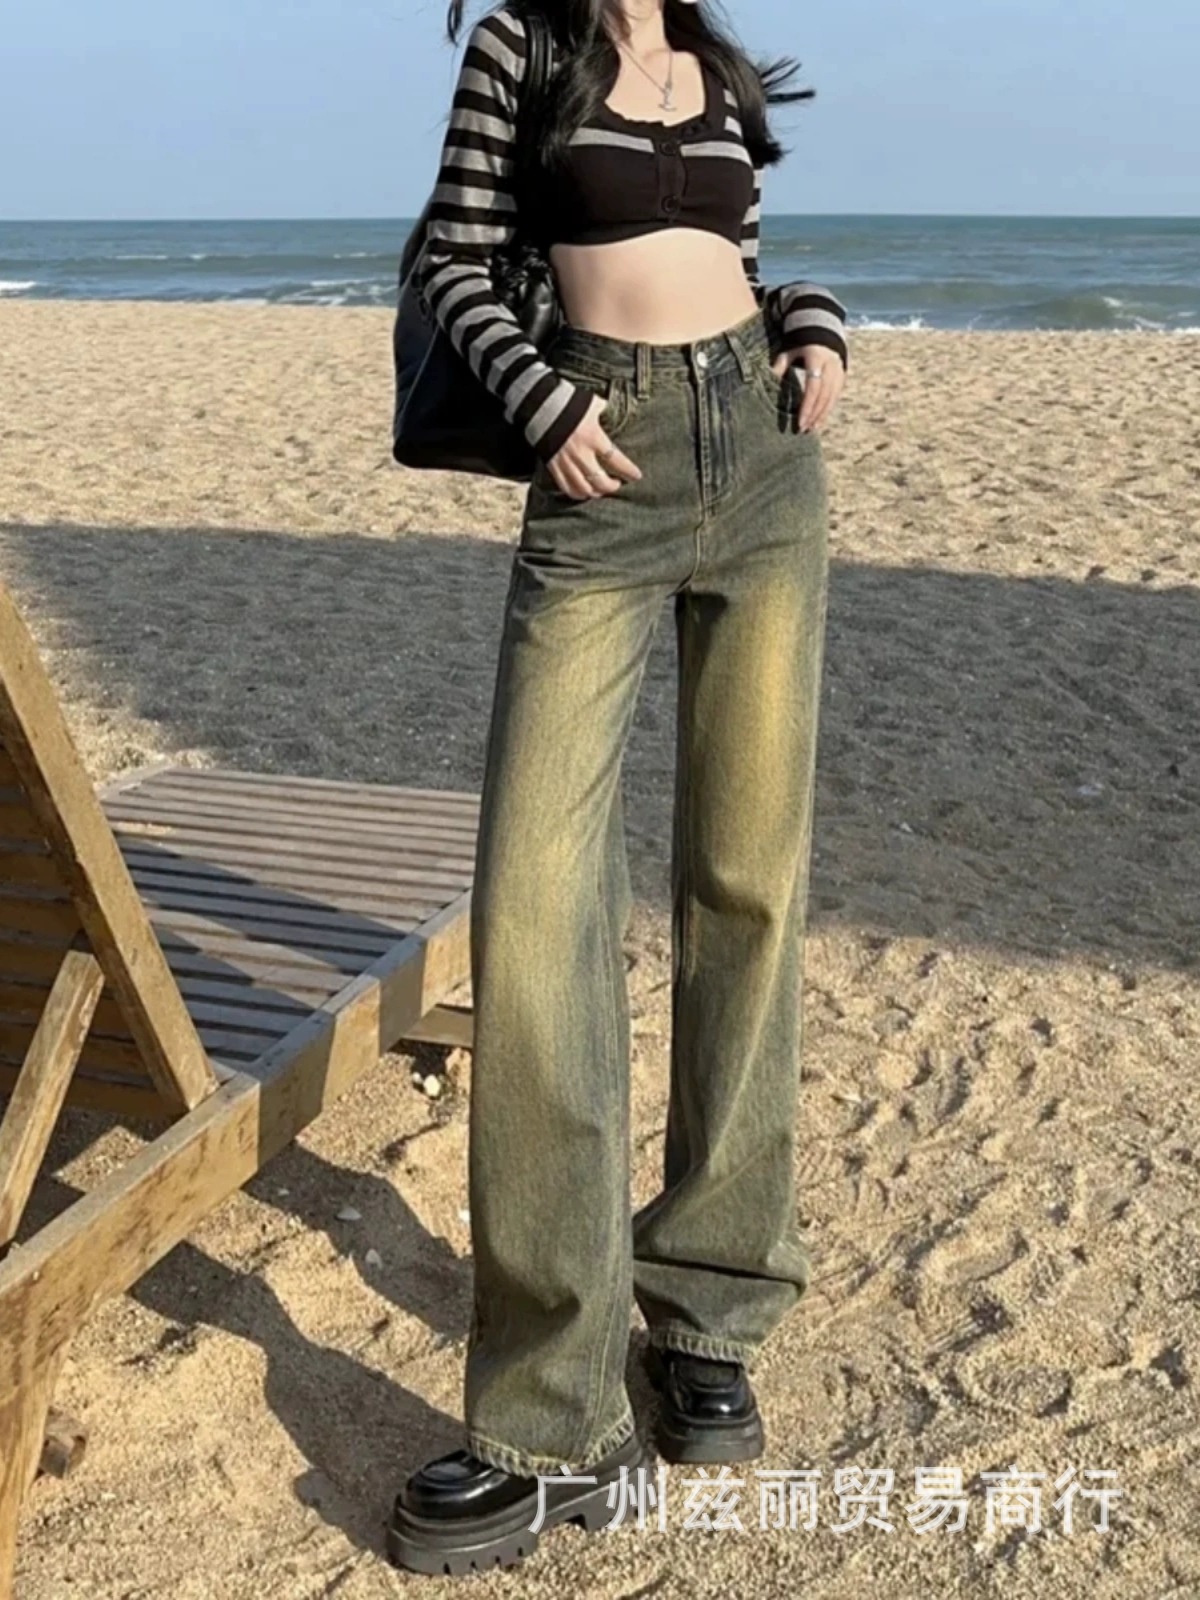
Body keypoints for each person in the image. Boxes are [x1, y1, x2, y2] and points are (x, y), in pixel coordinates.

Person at [388, 0, 848, 1575]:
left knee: (748, 886)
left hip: (766, 470)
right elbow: (456, 259)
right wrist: (546, 402)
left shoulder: (716, 69)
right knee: (535, 914)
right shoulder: (524, 49)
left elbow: (743, 262)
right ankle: (550, 1418)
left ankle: (709, 1310)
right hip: (601, 470)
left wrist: (815, 326)